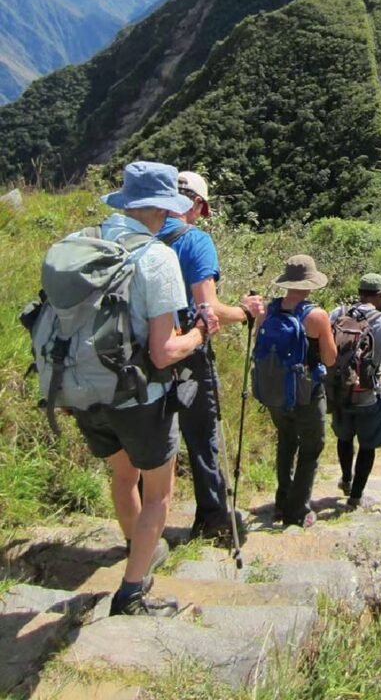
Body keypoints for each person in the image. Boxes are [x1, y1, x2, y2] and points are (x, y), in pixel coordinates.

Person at [74, 161, 220, 617]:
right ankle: (132, 592)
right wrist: (199, 334)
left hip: (83, 389)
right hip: (138, 398)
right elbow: (162, 352)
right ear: (163, 208)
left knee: (122, 476)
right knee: (158, 492)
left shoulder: (86, 241)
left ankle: (136, 548)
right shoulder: (156, 258)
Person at [158, 171, 265, 542]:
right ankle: (213, 517)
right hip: (185, 349)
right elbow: (209, 309)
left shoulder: (136, 235)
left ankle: (142, 530)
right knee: (201, 433)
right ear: (198, 206)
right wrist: (246, 312)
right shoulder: (195, 241)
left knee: (149, 437)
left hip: (137, 352)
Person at [264, 255, 336, 528]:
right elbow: (329, 359)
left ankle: (282, 502)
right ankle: (298, 510)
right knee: (312, 447)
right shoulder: (316, 316)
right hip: (307, 392)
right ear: (309, 285)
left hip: (275, 390)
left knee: (286, 440)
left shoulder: (268, 312)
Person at [330, 273, 381, 509]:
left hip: (340, 391)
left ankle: (346, 479)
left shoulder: (338, 314)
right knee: (367, 445)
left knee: (344, 437)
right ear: (380, 295)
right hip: (369, 395)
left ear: (360, 291)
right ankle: (356, 496)